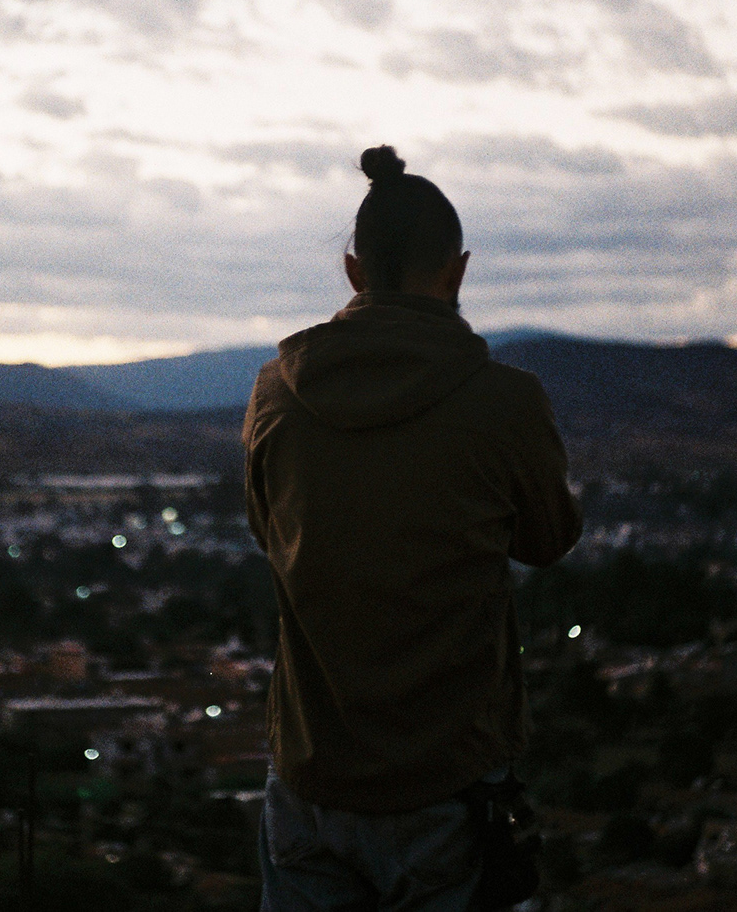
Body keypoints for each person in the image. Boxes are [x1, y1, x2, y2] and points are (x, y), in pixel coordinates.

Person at [243, 144, 583, 912]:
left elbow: (271, 532)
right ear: (457, 272)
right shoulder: (506, 402)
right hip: (449, 786)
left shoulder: (275, 394)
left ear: (353, 271)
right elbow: (550, 539)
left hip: (309, 780)